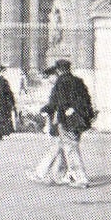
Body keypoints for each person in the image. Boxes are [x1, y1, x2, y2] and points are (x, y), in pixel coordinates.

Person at [31, 58, 93, 187]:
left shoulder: (61, 82)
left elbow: (56, 102)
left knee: (70, 149)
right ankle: (45, 173)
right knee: (57, 146)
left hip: (66, 121)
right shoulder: (78, 81)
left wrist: (43, 110)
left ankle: (80, 178)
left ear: (59, 71)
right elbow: (87, 100)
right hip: (79, 120)